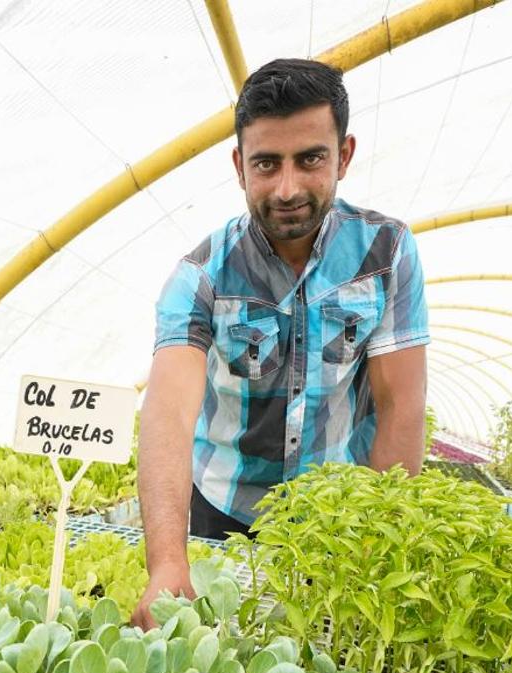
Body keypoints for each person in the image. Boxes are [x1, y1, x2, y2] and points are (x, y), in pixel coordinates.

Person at [131, 58, 430, 629]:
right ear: (240, 166)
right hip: (223, 505)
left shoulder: (386, 252)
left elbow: (400, 406)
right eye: (267, 164)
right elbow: (168, 411)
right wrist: (168, 562)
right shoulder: (203, 275)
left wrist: (381, 542)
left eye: (310, 159)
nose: (287, 188)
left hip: (337, 513)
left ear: (343, 155)